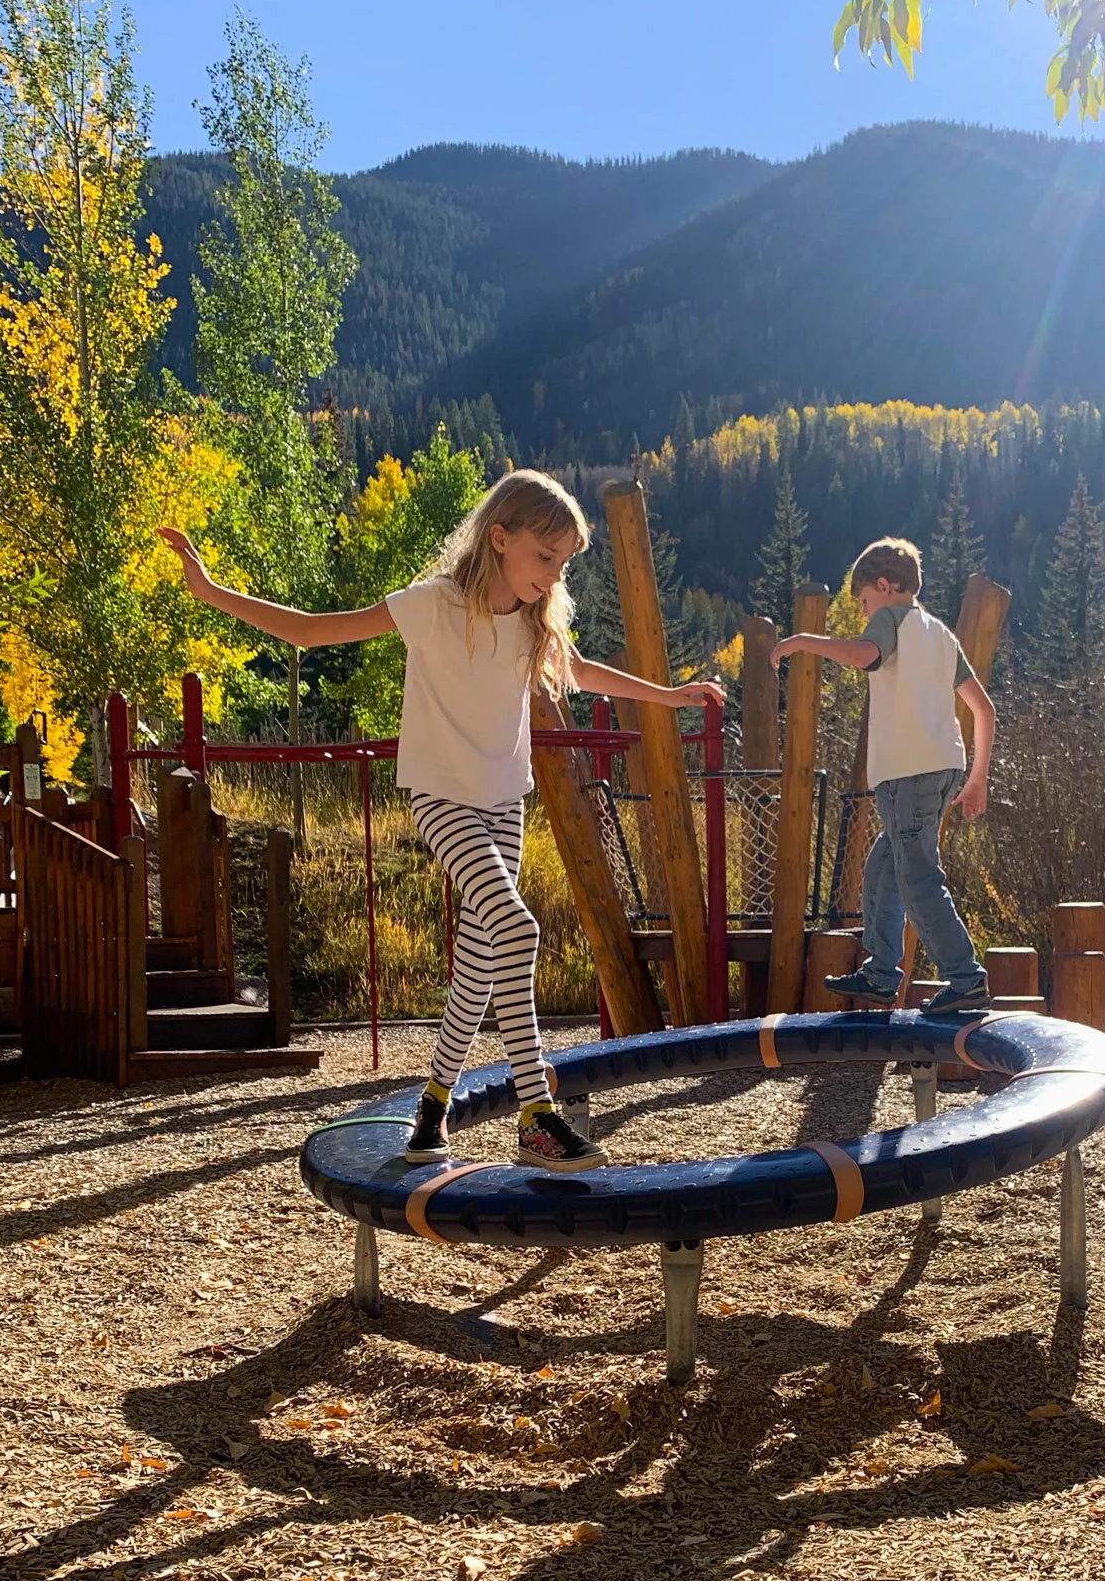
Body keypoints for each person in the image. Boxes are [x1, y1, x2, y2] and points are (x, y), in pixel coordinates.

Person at [158, 472, 723, 1172]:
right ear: (499, 537)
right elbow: (311, 631)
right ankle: (535, 1117)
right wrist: (211, 592)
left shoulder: (531, 620)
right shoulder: (432, 606)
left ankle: (432, 1105)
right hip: (442, 799)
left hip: (501, 802)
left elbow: (582, 671)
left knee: (484, 965)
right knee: (518, 928)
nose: (554, 576)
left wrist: (666, 697)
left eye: (565, 563)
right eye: (545, 557)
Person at [770, 535, 994, 1016]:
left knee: (917, 878)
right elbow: (984, 709)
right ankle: (881, 972)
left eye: (865, 601)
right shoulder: (941, 634)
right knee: (884, 870)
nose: (866, 612)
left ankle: (966, 977)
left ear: (885, 586)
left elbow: (863, 655)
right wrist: (976, 778)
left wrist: (803, 641)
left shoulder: (891, 618)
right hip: (940, 768)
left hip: (911, 773)